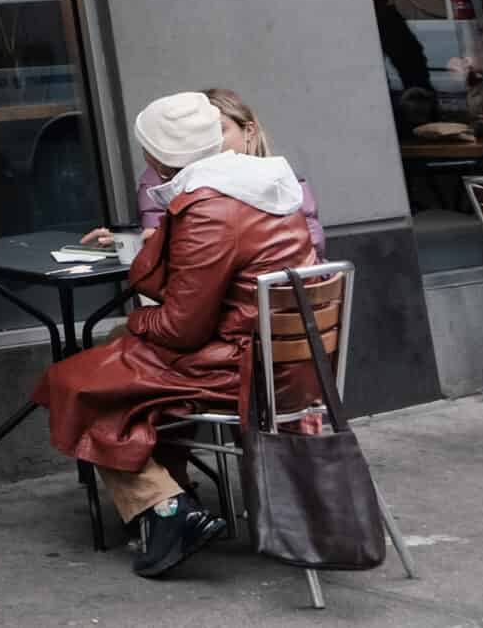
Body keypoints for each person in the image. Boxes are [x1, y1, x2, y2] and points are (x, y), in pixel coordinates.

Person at [33, 91, 319, 580]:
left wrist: (140, 323)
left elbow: (179, 330)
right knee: (115, 361)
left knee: (73, 383)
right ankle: (171, 500)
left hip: (239, 366)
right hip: (288, 359)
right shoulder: (266, 182)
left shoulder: (208, 206)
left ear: (154, 158)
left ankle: (166, 508)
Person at [83, 85, 323, 254]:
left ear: (248, 131)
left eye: (219, 131)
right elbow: (161, 239)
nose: (213, 143)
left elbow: (308, 250)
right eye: (203, 134)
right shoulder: (160, 182)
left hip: (257, 310)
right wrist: (126, 243)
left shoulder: (285, 181)